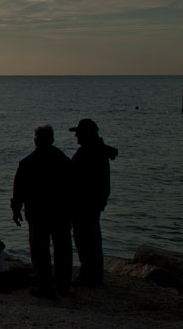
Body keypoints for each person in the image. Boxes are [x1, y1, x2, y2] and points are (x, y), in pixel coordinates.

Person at [11, 124, 73, 298]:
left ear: (35, 141)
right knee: (63, 249)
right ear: (52, 140)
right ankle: (63, 286)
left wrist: (16, 211)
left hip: (38, 214)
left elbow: (18, 191)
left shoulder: (27, 163)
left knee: (39, 250)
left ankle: (45, 286)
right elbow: (74, 187)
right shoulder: (64, 160)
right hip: (61, 213)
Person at [70, 118, 118, 287]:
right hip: (90, 204)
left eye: (78, 133)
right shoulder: (97, 151)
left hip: (84, 204)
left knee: (86, 240)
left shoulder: (89, 153)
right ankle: (93, 275)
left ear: (86, 135)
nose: (76, 136)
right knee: (91, 239)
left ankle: (89, 276)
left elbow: (76, 177)